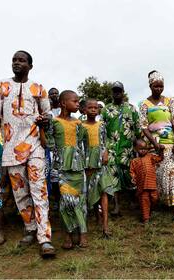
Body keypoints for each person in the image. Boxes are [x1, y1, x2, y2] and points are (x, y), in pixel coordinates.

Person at [0, 50, 55, 257]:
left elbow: (48, 114)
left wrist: (45, 119)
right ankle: (30, 228)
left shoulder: (38, 88)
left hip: (35, 147)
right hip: (10, 150)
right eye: (14, 60)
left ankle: (45, 238)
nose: (17, 63)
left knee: (39, 191)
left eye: (21, 60)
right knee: (20, 193)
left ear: (30, 66)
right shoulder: (0, 87)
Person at [45, 90, 88, 249]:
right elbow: (49, 144)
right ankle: (69, 234)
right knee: (65, 203)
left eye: (78, 102)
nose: (78, 104)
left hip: (78, 168)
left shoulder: (78, 123)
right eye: (75, 101)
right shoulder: (54, 122)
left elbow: (83, 143)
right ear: (63, 103)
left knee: (80, 202)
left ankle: (83, 233)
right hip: (62, 168)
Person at [139, 70, 174, 219]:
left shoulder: (171, 101)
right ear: (150, 86)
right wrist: (154, 143)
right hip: (152, 145)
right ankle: (155, 204)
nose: (158, 89)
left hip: (169, 143)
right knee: (154, 175)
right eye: (156, 86)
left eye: (161, 86)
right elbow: (144, 126)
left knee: (171, 173)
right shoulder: (144, 104)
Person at [101, 81, 140, 216]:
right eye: (114, 91)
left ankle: (132, 200)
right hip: (111, 148)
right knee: (114, 176)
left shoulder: (132, 108)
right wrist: (103, 149)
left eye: (119, 90)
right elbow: (102, 130)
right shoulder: (106, 109)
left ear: (123, 92)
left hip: (127, 149)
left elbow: (138, 129)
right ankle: (116, 206)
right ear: (112, 93)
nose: (117, 93)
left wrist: (138, 146)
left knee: (129, 176)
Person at [82, 99, 115, 238]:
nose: (93, 110)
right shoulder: (81, 125)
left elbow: (105, 140)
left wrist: (106, 152)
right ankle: (98, 217)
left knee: (103, 191)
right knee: (92, 190)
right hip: (88, 161)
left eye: (96, 107)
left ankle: (105, 225)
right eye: (90, 107)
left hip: (101, 161)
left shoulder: (101, 125)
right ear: (84, 110)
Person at [130, 139, 163, 224]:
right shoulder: (134, 161)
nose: (143, 150)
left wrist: (161, 151)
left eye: (145, 148)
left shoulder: (151, 157)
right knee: (144, 201)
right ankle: (145, 218)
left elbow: (160, 159)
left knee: (154, 198)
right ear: (135, 149)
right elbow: (132, 172)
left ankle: (150, 210)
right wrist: (133, 178)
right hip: (142, 186)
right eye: (141, 149)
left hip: (152, 184)